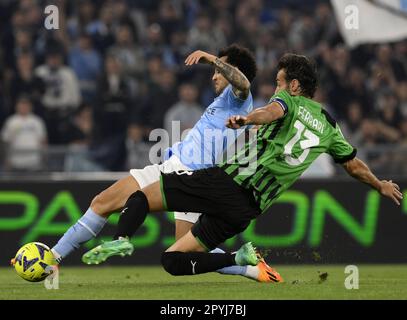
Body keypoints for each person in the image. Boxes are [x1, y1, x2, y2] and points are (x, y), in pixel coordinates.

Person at [82, 53, 402, 278]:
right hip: (246, 211)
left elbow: (270, 112)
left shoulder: (288, 101)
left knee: (141, 195)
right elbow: (354, 165)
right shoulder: (331, 127)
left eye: (279, 82)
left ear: (293, 86)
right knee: (173, 260)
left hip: (226, 183)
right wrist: (380, 185)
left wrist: (247, 118)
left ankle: (122, 239)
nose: (276, 88)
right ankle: (239, 258)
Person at [49, 45, 281, 282]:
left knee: (187, 251)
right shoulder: (222, 101)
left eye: (218, 70)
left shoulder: (239, 99)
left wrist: (211, 58)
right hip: (170, 166)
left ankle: (250, 267)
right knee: (102, 202)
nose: (213, 75)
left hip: (192, 177)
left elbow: (242, 82)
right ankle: (52, 257)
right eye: (214, 69)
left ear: (231, 69)